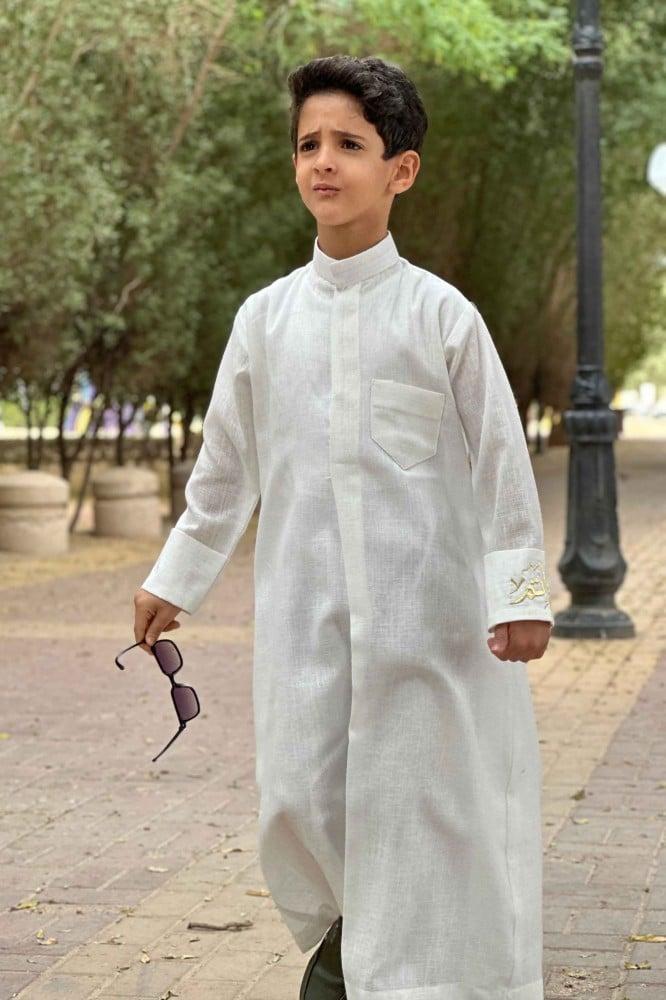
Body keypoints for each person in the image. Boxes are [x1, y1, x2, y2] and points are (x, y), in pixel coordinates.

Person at [134, 54, 554, 1000]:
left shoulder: (442, 316)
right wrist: (174, 577)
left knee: (424, 812)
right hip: (305, 623)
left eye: (349, 145)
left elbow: (501, 461)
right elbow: (226, 469)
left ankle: (392, 980)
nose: (322, 162)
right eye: (307, 145)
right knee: (300, 798)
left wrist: (522, 597)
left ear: (400, 169)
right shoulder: (265, 321)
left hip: (428, 628)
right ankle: (353, 952)